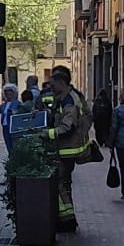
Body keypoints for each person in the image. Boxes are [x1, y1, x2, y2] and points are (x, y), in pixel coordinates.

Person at [44, 65, 91, 232]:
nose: (50, 86)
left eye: (53, 83)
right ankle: (68, 218)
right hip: (67, 149)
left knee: (60, 184)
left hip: (66, 149)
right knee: (65, 183)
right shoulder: (67, 96)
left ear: (61, 82)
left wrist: (47, 133)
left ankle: (67, 220)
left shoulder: (69, 100)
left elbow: (68, 126)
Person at [0, 84, 20, 154]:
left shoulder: (17, 103)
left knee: (14, 145)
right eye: (7, 94)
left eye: (10, 94)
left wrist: (13, 112)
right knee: (8, 144)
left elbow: (20, 112)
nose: (8, 96)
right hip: (5, 126)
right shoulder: (4, 104)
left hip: (13, 127)